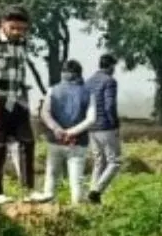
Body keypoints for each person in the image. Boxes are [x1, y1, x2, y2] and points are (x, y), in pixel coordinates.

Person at [0, 5, 47, 204]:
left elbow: (20, 72)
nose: (18, 32)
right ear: (2, 24)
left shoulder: (22, 43)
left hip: (17, 100)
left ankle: (29, 190)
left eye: (22, 29)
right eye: (14, 28)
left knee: (27, 142)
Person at [30, 60, 97, 205]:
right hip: (78, 143)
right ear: (79, 74)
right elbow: (91, 119)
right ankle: (78, 212)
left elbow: (44, 113)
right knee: (76, 181)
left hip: (55, 140)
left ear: (63, 73)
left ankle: (48, 210)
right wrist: (71, 132)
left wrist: (57, 129)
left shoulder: (53, 90)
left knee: (52, 176)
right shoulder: (88, 93)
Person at [85, 53, 122, 204]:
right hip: (106, 126)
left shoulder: (88, 82)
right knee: (115, 162)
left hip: (91, 126)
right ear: (111, 66)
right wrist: (115, 123)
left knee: (99, 161)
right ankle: (96, 191)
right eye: (114, 66)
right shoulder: (110, 81)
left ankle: (93, 196)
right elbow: (110, 105)